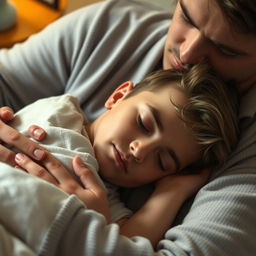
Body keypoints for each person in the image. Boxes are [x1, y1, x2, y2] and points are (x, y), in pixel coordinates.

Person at [0, 0, 255, 255]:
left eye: (225, 50)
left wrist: (83, 224)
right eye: (187, 18)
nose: (186, 54)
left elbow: (128, 244)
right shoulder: (61, 104)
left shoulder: (100, 192)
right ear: (118, 95)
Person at [9, 64, 238, 248]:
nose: (140, 150)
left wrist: (172, 192)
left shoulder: (102, 199)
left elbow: (125, 246)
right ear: (118, 96)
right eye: (144, 123)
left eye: (162, 161)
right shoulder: (59, 111)